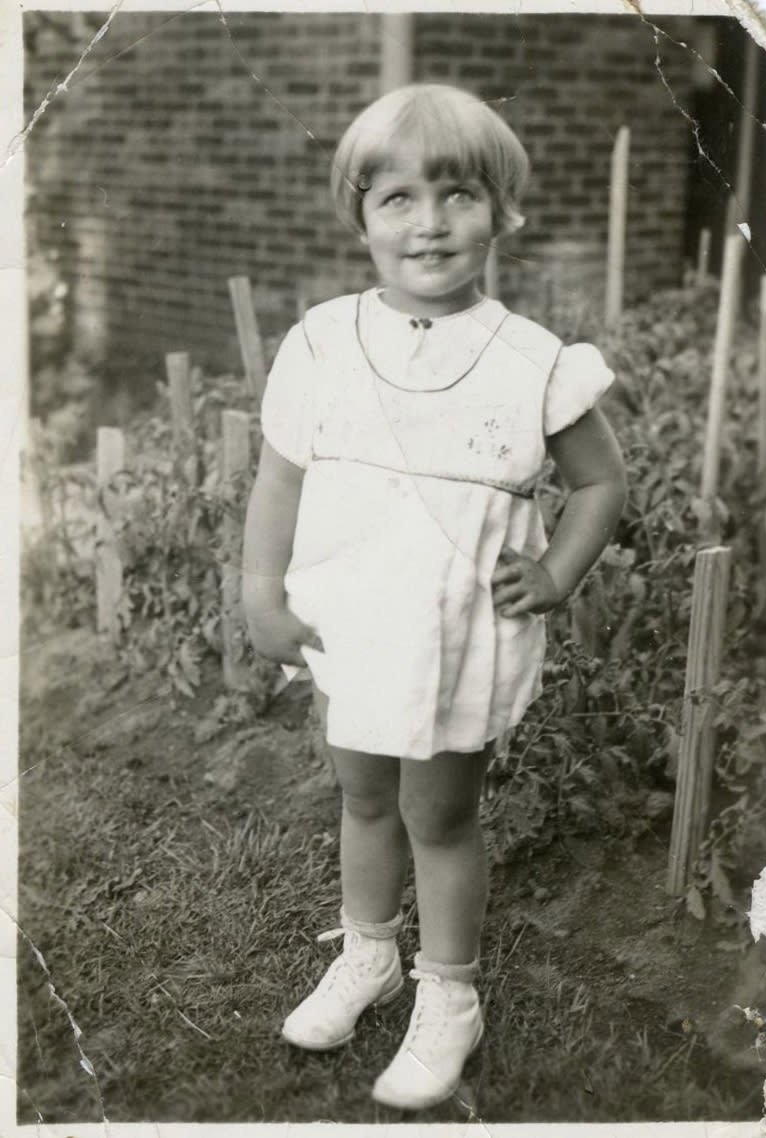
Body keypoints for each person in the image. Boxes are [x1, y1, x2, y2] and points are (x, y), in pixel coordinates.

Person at [241, 83, 627, 1112]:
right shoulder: (320, 341)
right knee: (362, 793)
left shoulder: (531, 360)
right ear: (359, 214)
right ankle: (366, 951)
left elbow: (600, 481)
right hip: (350, 617)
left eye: (456, 195)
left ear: (499, 211)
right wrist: (258, 589)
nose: (428, 223)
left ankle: (447, 994)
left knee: (436, 810)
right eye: (397, 198)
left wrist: (553, 572)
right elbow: (278, 479)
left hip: (458, 632)